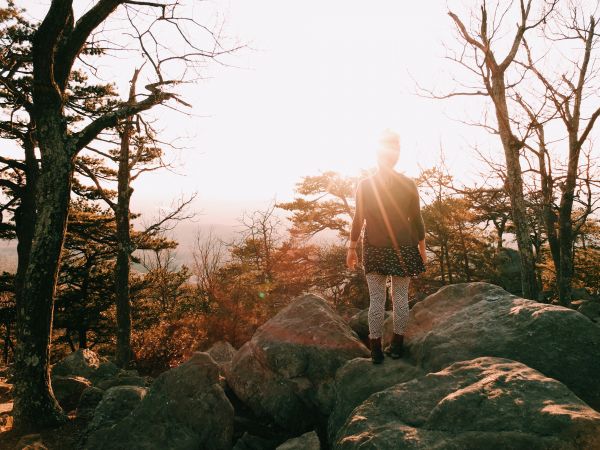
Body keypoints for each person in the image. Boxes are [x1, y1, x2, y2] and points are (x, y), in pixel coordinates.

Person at [346, 130, 426, 364]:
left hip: (374, 249)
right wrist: (422, 249)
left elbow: (358, 218)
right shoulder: (408, 184)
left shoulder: (365, 185)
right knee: (400, 298)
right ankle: (398, 346)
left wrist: (351, 248)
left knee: (376, 301)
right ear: (396, 155)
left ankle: (376, 350)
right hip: (405, 249)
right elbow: (418, 219)